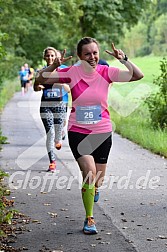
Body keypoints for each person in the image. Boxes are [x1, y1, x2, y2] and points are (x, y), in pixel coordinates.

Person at [35, 37, 144, 234]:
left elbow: (138, 75)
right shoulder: (71, 72)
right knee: (89, 174)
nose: (92, 57)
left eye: (95, 53)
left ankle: (95, 189)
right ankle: (89, 218)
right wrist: (54, 66)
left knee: (98, 180)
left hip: (102, 132)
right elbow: (40, 80)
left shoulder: (106, 72)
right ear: (80, 56)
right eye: (87, 54)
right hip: (78, 131)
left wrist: (124, 59)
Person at [34, 47, 70, 172]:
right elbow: (35, 86)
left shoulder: (63, 71)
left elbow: (69, 89)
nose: (50, 58)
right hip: (46, 107)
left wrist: (59, 83)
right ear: (44, 57)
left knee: (57, 135)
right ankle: (52, 162)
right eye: (48, 56)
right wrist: (38, 87)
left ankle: (59, 138)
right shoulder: (41, 72)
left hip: (59, 105)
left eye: (52, 56)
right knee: (50, 133)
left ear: (56, 57)